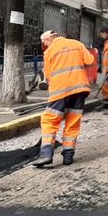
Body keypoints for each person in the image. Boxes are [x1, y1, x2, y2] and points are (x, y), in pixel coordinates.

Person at [32, 31, 95, 167]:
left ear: (48, 39)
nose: (44, 45)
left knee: (49, 120)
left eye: (44, 43)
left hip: (60, 91)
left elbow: (48, 76)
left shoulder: (49, 52)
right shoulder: (77, 44)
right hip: (80, 88)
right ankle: (68, 155)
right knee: (72, 121)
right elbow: (90, 60)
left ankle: (46, 154)